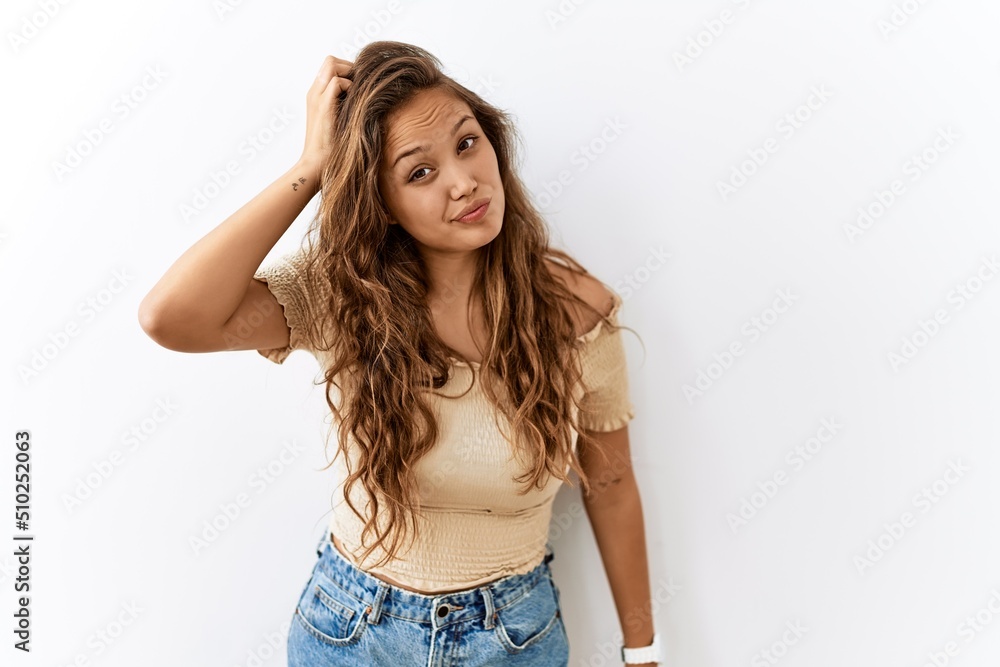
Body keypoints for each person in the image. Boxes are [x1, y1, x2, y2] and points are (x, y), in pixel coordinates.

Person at [138, 41, 661, 667]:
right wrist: (311, 167)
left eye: (467, 143)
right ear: (382, 205)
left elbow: (611, 484)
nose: (464, 182)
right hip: (353, 634)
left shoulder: (575, 311)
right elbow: (171, 318)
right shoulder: (341, 296)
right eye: (419, 172)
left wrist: (643, 653)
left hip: (514, 637)